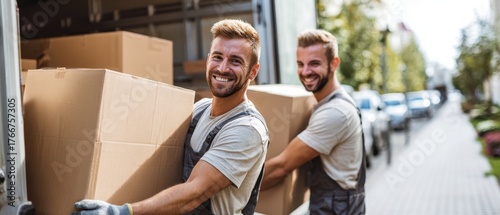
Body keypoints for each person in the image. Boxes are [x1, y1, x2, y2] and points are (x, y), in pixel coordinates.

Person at [72, 19, 269, 215]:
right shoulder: (200, 109)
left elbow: (194, 193)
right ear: (208, 59)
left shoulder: (247, 129)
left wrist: (121, 211)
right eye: (217, 57)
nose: (223, 68)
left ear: (253, 71)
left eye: (235, 61)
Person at [260, 29, 366, 215]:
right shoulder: (328, 103)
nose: (306, 71)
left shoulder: (335, 112)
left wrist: (228, 186)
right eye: (300, 64)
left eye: (314, 64)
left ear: (334, 63)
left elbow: (281, 167)